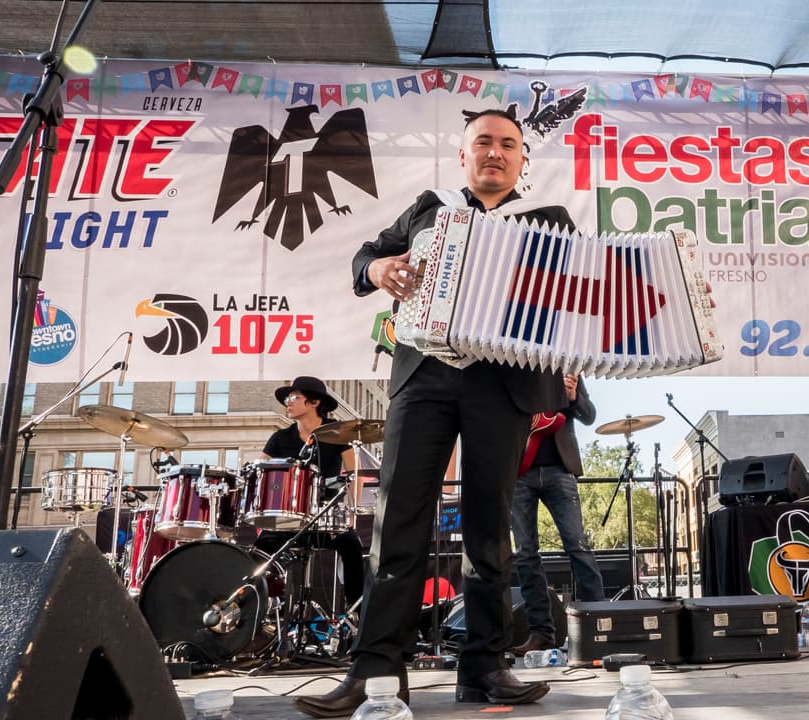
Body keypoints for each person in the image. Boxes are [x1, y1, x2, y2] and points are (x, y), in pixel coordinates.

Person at [293, 108, 570, 717]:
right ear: (464, 156)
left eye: (508, 144)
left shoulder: (549, 223)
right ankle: (374, 674)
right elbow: (364, 258)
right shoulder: (429, 207)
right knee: (398, 521)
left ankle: (486, 668)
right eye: (482, 143)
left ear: (524, 160)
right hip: (424, 376)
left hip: (505, 383)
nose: (494, 152)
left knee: (490, 528)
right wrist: (378, 267)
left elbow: (573, 301)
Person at [509, 373, 604, 656]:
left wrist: (573, 397)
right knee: (525, 553)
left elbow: (589, 415)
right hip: (518, 469)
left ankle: (596, 622)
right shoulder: (514, 368)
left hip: (560, 469)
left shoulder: (566, 368)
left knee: (578, 545)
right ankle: (541, 633)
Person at [254, 376, 365, 608]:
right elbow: (259, 471)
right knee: (258, 551)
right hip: (289, 518)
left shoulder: (338, 433)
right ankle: (259, 609)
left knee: (352, 545)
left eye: (294, 398)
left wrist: (351, 514)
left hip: (324, 517)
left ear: (314, 402)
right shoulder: (280, 438)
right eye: (287, 398)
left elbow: (356, 473)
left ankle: (357, 612)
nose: (288, 403)